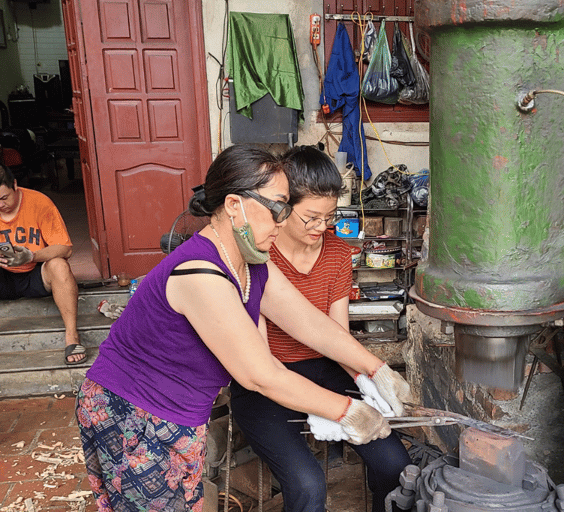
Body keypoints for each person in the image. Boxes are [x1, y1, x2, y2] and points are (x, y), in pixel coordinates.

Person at [75, 145, 411, 511]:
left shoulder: (251, 261)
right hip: (134, 410)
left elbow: (309, 322)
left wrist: (376, 370)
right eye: (279, 207)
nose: (283, 222)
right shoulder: (201, 273)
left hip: (181, 412)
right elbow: (260, 375)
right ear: (234, 205)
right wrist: (349, 411)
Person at [229, 146, 412, 512]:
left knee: (394, 464)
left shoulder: (337, 253)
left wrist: (370, 381)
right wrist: (340, 408)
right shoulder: (258, 254)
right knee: (307, 485)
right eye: (310, 217)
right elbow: (261, 365)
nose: (320, 227)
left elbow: (336, 337)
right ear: (282, 209)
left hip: (323, 367)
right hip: (267, 378)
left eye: (328, 217)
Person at [0, 164, 85, 365]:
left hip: (35, 275)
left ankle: (72, 336)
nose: (0, 204)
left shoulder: (39, 202)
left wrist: (31, 256)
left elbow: (66, 249)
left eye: (4, 198)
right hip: (3, 277)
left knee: (59, 264)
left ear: (14, 184)